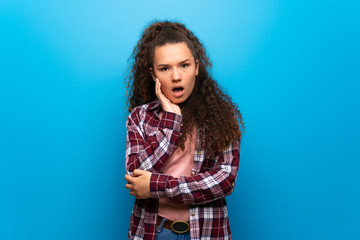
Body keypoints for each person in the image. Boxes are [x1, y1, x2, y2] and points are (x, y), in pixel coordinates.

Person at [124, 20, 244, 240]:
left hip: (206, 231)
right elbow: (135, 175)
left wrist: (156, 186)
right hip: (154, 231)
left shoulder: (222, 116)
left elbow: (225, 180)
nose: (176, 76)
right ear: (153, 75)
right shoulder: (140, 117)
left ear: (197, 67)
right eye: (165, 68)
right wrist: (171, 122)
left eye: (184, 65)